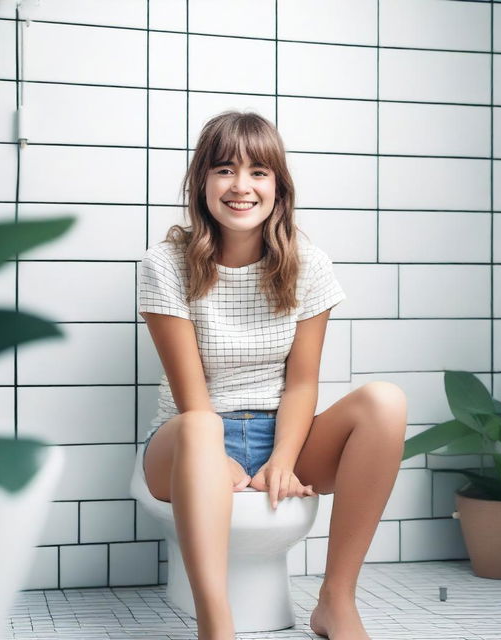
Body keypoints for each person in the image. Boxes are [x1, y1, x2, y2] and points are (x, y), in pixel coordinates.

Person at [138, 110, 407, 640]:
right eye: (224, 169)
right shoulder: (163, 264)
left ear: (278, 188)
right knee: (201, 426)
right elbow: (194, 403)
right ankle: (217, 629)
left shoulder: (309, 263)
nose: (242, 186)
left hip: (283, 432)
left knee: (385, 401)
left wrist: (283, 460)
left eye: (259, 172)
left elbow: (303, 382)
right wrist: (216, 460)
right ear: (201, 182)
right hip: (188, 441)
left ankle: (336, 600)